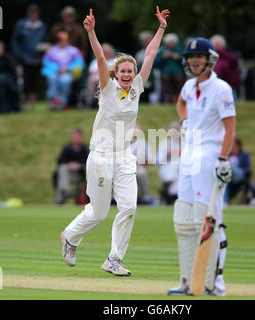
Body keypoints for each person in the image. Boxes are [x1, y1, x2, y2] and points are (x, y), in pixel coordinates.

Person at [60, 7, 170, 276]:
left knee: (130, 207)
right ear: (115, 73)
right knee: (98, 213)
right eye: (122, 71)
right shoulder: (108, 89)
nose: (127, 74)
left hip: (123, 157)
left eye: (130, 71)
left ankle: (114, 259)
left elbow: (152, 54)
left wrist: (161, 28)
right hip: (101, 156)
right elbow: (99, 56)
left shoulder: (137, 89)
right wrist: (91, 31)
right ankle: (71, 237)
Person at [168, 38, 235, 296]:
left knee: (207, 219)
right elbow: (181, 103)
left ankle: (212, 284)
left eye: (199, 57)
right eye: (190, 57)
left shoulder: (221, 89)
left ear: (210, 60)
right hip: (189, 154)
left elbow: (230, 128)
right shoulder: (187, 86)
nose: (194, 61)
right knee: (183, 218)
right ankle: (188, 281)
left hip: (209, 155)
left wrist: (222, 159)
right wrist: (184, 121)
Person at [11, 4, 48, 110]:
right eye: (32, 13)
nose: (33, 15)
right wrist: (19, 54)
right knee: (25, 81)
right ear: (28, 14)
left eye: (35, 13)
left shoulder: (42, 26)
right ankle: (24, 103)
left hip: (37, 57)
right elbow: (15, 41)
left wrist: (43, 50)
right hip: (24, 58)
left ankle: (33, 104)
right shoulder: (21, 25)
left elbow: (44, 40)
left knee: (34, 81)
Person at [41, 31, 84, 110]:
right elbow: (46, 62)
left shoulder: (74, 50)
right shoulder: (51, 50)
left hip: (68, 72)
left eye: (63, 40)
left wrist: (68, 68)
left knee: (65, 80)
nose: (61, 41)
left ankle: (63, 102)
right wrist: (56, 69)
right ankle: (54, 100)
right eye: (59, 40)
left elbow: (79, 63)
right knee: (52, 79)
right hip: (55, 72)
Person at [55, 128, 89, 205]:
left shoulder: (84, 149)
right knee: (62, 169)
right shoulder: (66, 148)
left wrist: (79, 165)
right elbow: (60, 160)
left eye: (78, 136)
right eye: (75, 135)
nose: (76, 138)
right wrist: (69, 165)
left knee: (62, 178)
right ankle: (65, 192)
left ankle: (64, 192)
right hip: (68, 174)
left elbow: (88, 161)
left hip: (81, 174)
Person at [154, 33, 185, 103]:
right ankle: (167, 101)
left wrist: (179, 58)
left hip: (178, 74)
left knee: (178, 82)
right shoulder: (162, 50)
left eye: (172, 42)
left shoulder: (179, 50)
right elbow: (155, 63)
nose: (171, 44)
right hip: (165, 74)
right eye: (169, 42)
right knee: (166, 83)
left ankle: (177, 101)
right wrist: (163, 58)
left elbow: (185, 62)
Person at [211, 34, 240, 100]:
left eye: (219, 44)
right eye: (216, 44)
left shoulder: (229, 56)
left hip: (228, 82)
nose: (217, 47)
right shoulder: (209, 57)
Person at [86, 43, 115, 108]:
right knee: (92, 80)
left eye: (107, 52)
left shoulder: (114, 62)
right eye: (104, 52)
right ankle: (90, 102)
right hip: (96, 79)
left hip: (110, 79)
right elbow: (92, 73)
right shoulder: (95, 62)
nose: (105, 53)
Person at [158, 121, 180, 205]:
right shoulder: (164, 144)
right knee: (171, 172)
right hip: (167, 166)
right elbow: (159, 159)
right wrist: (168, 153)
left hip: (180, 167)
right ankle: (167, 197)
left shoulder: (183, 143)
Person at [130, 124, 153, 205]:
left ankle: (145, 196)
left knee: (142, 172)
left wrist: (140, 160)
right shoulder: (121, 143)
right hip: (124, 168)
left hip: (139, 167)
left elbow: (151, 161)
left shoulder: (143, 143)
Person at [224, 138, 251, 204]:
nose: (233, 148)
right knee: (225, 179)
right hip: (229, 176)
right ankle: (224, 202)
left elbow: (247, 168)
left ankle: (229, 167)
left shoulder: (244, 155)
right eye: (231, 146)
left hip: (239, 175)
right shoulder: (228, 155)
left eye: (235, 146)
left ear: (239, 147)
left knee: (228, 166)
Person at [135, 31, 156, 103]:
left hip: (154, 74)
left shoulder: (158, 51)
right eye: (145, 41)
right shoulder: (139, 54)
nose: (146, 43)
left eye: (148, 41)